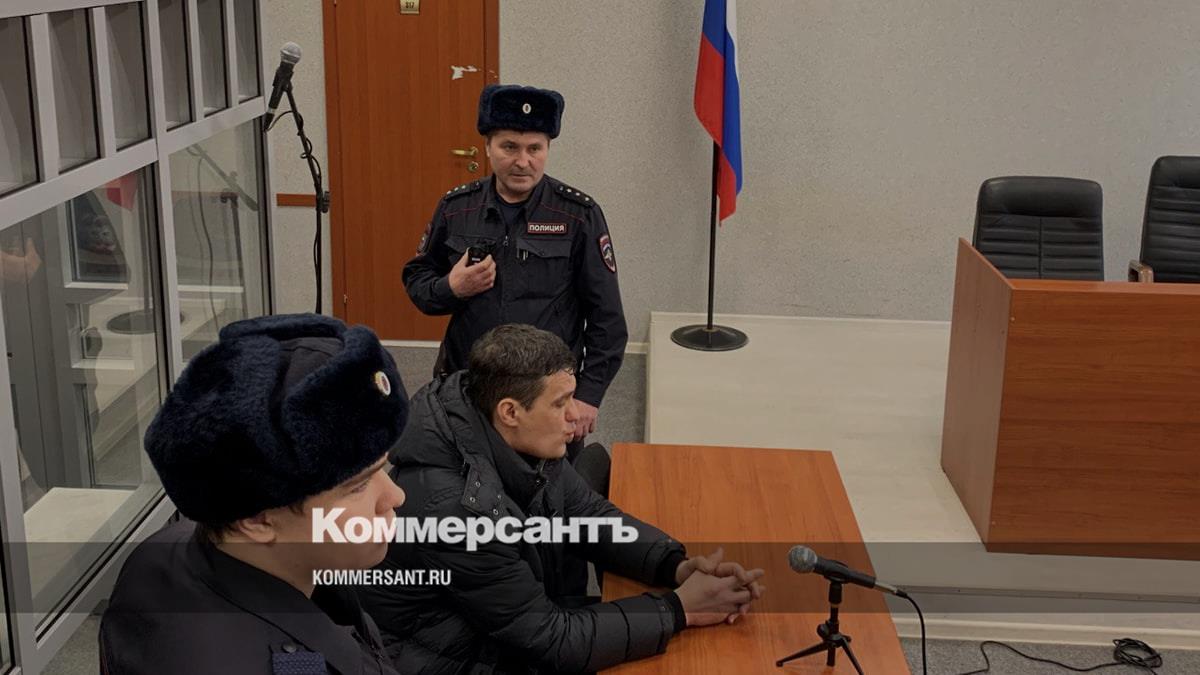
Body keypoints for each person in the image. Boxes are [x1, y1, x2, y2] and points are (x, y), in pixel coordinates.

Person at [359, 324, 765, 674]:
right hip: (450, 658)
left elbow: (587, 513)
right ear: (510, 412)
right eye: (559, 403)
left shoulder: (512, 428)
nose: (575, 415)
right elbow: (552, 639)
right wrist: (679, 609)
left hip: (502, 619)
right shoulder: (457, 512)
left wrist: (673, 565)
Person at [100, 314, 410, 674]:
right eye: (358, 485)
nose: (395, 496)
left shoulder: (168, 550)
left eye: (382, 469)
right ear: (257, 519)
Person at [403, 84, 627, 459]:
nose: (522, 161)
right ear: (488, 147)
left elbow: (608, 320)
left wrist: (588, 395)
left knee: (549, 489)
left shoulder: (578, 215)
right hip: (469, 387)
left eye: (534, 148)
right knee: (464, 482)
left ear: (547, 150)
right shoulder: (457, 208)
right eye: (509, 147)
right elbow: (417, 282)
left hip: (546, 394)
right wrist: (451, 287)